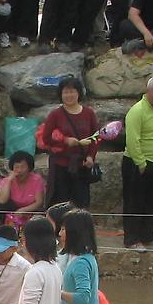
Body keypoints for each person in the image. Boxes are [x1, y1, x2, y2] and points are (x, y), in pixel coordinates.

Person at [121, 76, 153, 248]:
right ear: (148, 92)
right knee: (134, 202)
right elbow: (132, 140)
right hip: (138, 163)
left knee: (151, 201)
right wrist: (141, 163)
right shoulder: (137, 111)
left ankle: (147, 235)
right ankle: (132, 239)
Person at [43, 77, 99, 211]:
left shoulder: (89, 113)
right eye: (65, 92)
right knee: (60, 203)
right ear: (61, 94)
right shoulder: (55, 114)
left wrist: (91, 156)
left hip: (81, 165)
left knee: (81, 203)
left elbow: (96, 137)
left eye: (72, 91)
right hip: (61, 165)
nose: (69, 95)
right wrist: (65, 141)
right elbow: (46, 138)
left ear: (79, 93)